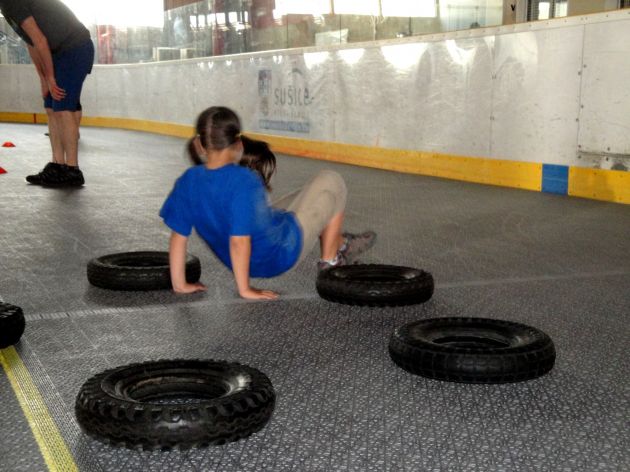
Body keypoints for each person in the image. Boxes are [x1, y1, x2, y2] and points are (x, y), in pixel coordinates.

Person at [160, 106, 376, 300]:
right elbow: (239, 241)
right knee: (332, 181)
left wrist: (180, 284)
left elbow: (178, 237)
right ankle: (332, 260)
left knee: (305, 193)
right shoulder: (244, 180)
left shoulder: (188, 181)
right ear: (238, 145)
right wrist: (244, 289)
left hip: (244, 261)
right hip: (280, 254)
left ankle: (340, 242)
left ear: (199, 144)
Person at [0, 0, 94, 187]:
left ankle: (72, 169)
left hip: (75, 48)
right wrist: (44, 78)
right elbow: (32, 43)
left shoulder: (11, 2)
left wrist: (50, 77)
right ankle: (57, 165)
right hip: (57, 52)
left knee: (62, 107)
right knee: (51, 107)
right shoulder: (6, 5)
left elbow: (40, 40)